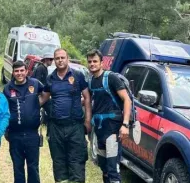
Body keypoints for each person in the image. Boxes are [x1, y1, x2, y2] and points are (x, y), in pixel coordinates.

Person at [42, 48, 91, 183]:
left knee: (77, 161)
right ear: (54, 60)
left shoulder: (78, 75)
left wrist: (87, 120)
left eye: (62, 57)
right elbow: (43, 99)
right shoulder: (50, 79)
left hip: (75, 126)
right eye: (57, 58)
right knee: (58, 162)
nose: (60, 60)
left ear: (67, 58)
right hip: (56, 127)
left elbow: (87, 97)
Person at [86, 49, 132, 183]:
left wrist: (125, 125)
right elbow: (89, 100)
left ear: (102, 63)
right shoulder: (91, 81)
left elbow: (127, 100)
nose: (92, 64)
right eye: (90, 62)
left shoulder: (111, 78)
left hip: (112, 131)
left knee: (113, 170)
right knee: (104, 168)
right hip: (100, 132)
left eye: (95, 61)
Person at [4, 61, 48, 183]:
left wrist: (36, 105)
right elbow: (4, 110)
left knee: (33, 167)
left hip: (32, 134)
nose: (19, 73)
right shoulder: (7, 89)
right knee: (17, 168)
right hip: (14, 134)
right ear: (13, 72)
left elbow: (46, 94)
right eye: (16, 71)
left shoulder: (35, 83)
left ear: (26, 71)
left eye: (22, 70)